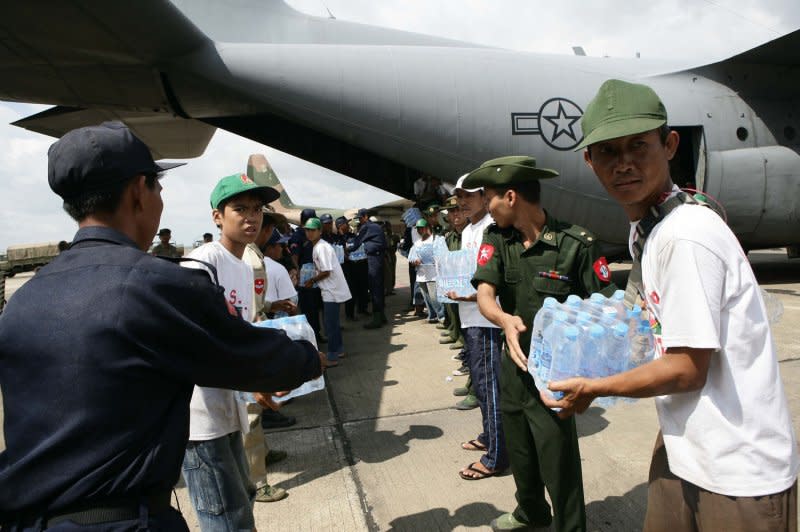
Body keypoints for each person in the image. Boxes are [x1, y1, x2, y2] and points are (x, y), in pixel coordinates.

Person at [0, 122, 322, 531]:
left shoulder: (25, 299)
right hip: (123, 520)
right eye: (159, 187)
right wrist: (308, 357)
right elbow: (248, 356)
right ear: (139, 191)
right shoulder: (159, 285)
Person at [544, 79, 799, 531]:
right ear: (589, 160)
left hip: (737, 469)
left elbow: (686, 369)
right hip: (687, 446)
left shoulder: (686, 235)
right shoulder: (650, 227)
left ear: (669, 145)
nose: (623, 164)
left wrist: (598, 387)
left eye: (637, 146)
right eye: (607, 151)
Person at [463, 155, 615, 532]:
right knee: (520, 451)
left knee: (557, 457)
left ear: (511, 197)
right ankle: (530, 511)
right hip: (513, 366)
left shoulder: (575, 244)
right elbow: (485, 293)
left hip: (556, 373)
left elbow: (609, 307)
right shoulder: (496, 237)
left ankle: (570, 526)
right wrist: (503, 319)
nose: (486, 206)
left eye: (489, 198)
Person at [182, 172, 303, 527]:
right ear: (217, 216)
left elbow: (243, 333)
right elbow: (196, 339)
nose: (251, 217)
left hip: (227, 409)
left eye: (257, 209)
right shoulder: (204, 262)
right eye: (239, 208)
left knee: (241, 507)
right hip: (201, 421)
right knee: (225, 518)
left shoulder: (244, 264)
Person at [447, 175, 508, 481]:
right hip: (471, 316)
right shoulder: (470, 229)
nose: (462, 200)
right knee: (482, 385)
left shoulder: (491, 228)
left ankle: (497, 455)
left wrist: (470, 295)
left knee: (489, 386)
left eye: (468, 195)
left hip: (486, 319)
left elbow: (495, 279)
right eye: (459, 196)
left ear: (485, 196)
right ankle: (489, 435)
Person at [304, 218, 352, 366]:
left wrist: (312, 280)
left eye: (313, 230)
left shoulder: (321, 247)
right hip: (331, 288)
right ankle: (339, 350)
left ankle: (332, 356)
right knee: (333, 323)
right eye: (307, 230)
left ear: (319, 231)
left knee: (330, 324)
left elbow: (326, 271)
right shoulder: (318, 246)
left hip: (332, 290)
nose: (309, 233)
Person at [347, 208, 388, 329]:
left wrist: (347, 249)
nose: (359, 221)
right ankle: (382, 316)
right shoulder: (375, 226)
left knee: (374, 288)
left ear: (365, 217)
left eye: (360, 218)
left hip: (373, 260)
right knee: (379, 288)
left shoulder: (366, 227)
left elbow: (356, 243)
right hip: (378, 258)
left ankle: (377, 319)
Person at [289, 208, 323, 341]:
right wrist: (297, 273)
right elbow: (294, 257)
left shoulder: (312, 234)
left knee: (315, 307)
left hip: (314, 275)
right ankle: (311, 337)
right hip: (304, 278)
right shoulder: (297, 236)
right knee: (308, 309)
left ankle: (317, 334)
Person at [408, 219, 445, 324]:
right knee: (427, 297)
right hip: (421, 274)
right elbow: (411, 258)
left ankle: (442, 317)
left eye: (421, 228)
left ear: (427, 227)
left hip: (434, 274)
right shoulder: (417, 243)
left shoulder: (436, 239)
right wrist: (414, 261)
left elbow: (443, 255)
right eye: (418, 229)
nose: (419, 231)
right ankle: (432, 316)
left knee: (434, 297)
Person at [263, 229, 298, 318]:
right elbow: (291, 305)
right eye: (280, 245)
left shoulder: (249, 264)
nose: (282, 248)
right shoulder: (278, 268)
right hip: (276, 321)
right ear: (270, 248)